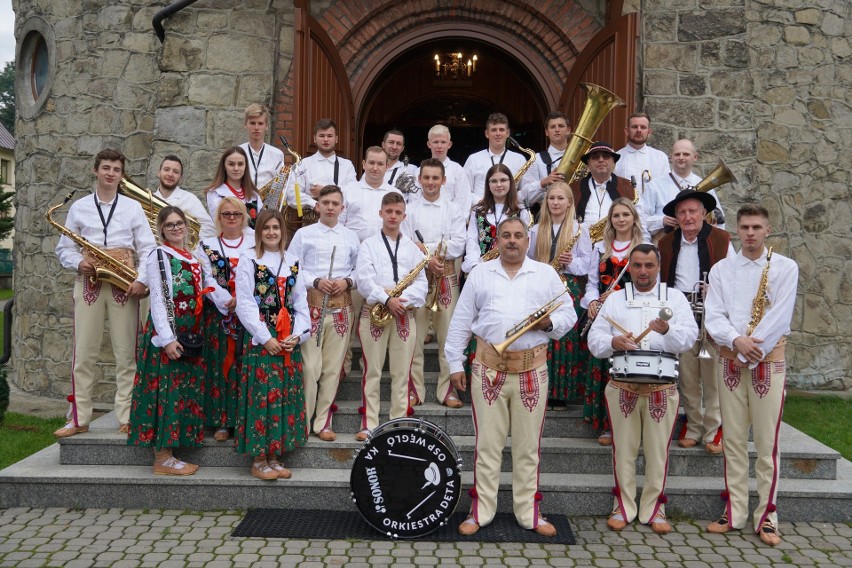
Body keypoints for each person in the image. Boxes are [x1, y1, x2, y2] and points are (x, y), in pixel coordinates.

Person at [446, 217, 576, 537]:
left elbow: (568, 314)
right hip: (488, 368)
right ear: (497, 241)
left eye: (518, 235)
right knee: (487, 445)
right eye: (506, 235)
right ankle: (481, 512)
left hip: (532, 369)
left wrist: (547, 325)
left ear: (527, 240)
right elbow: (462, 320)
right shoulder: (480, 273)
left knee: (527, 447)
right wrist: (453, 364)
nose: (512, 241)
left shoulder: (545, 274)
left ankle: (528, 513)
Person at [704, 204, 798, 547]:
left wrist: (748, 348)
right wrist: (736, 340)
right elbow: (713, 315)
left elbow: (781, 315)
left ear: (768, 230)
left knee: (767, 443)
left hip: (766, 360)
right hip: (730, 359)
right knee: (732, 441)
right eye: (745, 227)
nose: (750, 233)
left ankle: (768, 515)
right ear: (737, 230)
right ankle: (734, 511)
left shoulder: (785, 267)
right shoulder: (721, 269)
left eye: (757, 227)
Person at [588, 244, 697, 535]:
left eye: (649, 265)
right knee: (623, 450)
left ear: (658, 266)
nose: (643, 271)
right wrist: (615, 343)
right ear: (630, 267)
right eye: (637, 265)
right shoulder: (616, 299)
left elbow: (689, 338)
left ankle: (654, 508)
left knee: (657, 451)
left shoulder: (674, 297)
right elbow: (595, 339)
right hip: (623, 385)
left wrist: (667, 331)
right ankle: (623, 507)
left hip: (662, 387)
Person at [54, 148, 156, 438]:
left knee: (127, 353)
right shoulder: (80, 207)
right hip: (90, 280)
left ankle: (127, 415)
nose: (111, 173)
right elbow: (64, 247)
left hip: (124, 281)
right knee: (83, 352)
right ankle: (78, 418)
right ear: (95, 170)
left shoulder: (133, 207)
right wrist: (78, 262)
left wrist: (142, 279)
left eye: (116, 170)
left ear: (122, 176)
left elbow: (148, 247)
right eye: (106, 168)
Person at [127, 206, 206, 475]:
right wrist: (168, 338)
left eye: (179, 223)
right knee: (165, 393)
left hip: (189, 332)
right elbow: (159, 299)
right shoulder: (158, 255)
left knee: (180, 392)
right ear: (161, 229)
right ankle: (162, 457)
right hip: (169, 333)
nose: (176, 228)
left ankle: (172, 452)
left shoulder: (192, 257)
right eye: (169, 224)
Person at [234, 209, 310, 480]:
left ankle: (275, 455)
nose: (271, 233)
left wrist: (297, 335)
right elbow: (244, 303)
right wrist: (265, 338)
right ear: (258, 231)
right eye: (266, 228)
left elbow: (300, 303)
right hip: (262, 337)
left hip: (288, 336)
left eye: (276, 227)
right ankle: (259, 458)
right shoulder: (249, 259)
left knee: (282, 396)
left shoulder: (292, 260)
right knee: (261, 396)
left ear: (282, 231)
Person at [658, 190, 735, 454]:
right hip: (681, 311)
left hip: (712, 312)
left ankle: (714, 431)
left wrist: (716, 290)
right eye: (682, 212)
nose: (688, 217)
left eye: (693, 211)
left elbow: (734, 277)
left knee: (712, 375)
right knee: (688, 376)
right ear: (676, 216)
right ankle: (693, 426)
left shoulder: (723, 240)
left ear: (704, 214)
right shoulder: (665, 243)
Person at [287, 185, 360, 442]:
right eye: (325, 202)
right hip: (310, 307)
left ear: (342, 208)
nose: (330, 207)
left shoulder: (351, 237)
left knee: (333, 368)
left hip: (341, 307)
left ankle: (323, 421)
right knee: (310, 367)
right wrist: (315, 280)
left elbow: (360, 270)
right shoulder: (303, 234)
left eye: (335, 203)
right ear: (317, 206)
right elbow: (292, 268)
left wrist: (347, 282)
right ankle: (304, 421)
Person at [354, 192, 428, 441]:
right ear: (381, 213)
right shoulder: (368, 245)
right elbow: (364, 280)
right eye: (389, 212)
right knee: (371, 371)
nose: (393, 216)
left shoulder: (413, 249)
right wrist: (387, 299)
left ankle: (399, 422)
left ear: (404, 216)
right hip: (375, 310)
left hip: (403, 314)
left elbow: (422, 283)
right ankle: (369, 424)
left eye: (398, 212)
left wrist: (401, 302)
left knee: (401, 372)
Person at [402, 159, 467, 408]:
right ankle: (414, 390)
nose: (430, 182)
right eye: (426, 178)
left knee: (448, 337)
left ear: (443, 180)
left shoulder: (453, 209)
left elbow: (458, 243)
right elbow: (406, 243)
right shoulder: (410, 209)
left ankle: (448, 390)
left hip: (446, 277)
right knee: (415, 337)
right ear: (419, 180)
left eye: (435, 178)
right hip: (417, 279)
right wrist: (430, 255)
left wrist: (425, 250)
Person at [582, 198, 645, 445]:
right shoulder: (599, 247)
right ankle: (606, 425)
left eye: (625, 215)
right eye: (616, 215)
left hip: (630, 314)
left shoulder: (642, 248)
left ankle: (629, 423)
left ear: (633, 218)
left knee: (624, 368)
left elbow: (647, 283)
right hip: (604, 315)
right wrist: (592, 302)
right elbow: (590, 283)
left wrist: (619, 295)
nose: (621, 219)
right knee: (604, 369)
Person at [527, 182, 592, 408]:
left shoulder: (579, 230)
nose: (555, 202)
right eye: (551, 198)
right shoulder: (535, 230)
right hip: (541, 287)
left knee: (564, 338)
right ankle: (540, 387)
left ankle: (562, 391)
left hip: (569, 285)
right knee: (542, 336)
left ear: (569, 203)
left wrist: (572, 262)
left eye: (560, 199)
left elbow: (587, 264)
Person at [197, 197, 255, 442]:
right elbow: (206, 277)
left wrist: (241, 299)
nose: (231, 218)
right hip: (219, 314)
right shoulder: (206, 244)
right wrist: (225, 300)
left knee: (245, 366)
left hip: (250, 314)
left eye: (237, 214)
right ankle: (221, 421)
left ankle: (243, 420)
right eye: (226, 214)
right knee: (221, 366)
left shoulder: (254, 242)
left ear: (244, 217)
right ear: (219, 218)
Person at [638, 139, 726, 242]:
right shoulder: (655, 185)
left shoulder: (705, 185)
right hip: (666, 245)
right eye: (677, 154)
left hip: (700, 245)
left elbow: (719, 220)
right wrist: (661, 221)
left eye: (686, 154)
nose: (681, 158)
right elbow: (641, 219)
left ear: (695, 157)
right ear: (671, 157)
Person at [461, 163, 531, 275]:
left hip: (512, 270)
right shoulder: (478, 211)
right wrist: (475, 265)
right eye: (493, 181)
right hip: (482, 269)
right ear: (488, 184)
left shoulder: (521, 211)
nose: (499, 185)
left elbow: (526, 245)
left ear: (511, 183)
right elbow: (471, 240)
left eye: (503, 180)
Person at [285, 118, 357, 213]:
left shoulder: (347, 165)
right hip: (310, 223)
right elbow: (292, 194)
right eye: (322, 136)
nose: (326, 139)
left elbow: (352, 194)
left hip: (340, 222)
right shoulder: (303, 164)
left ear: (336, 139)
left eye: (330, 136)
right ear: (314, 139)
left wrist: (324, 192)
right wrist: (314, 204)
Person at [463, 112, 529, 204]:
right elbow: (464, 191)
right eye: (494, 130)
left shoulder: (519, 159)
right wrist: (482, 203)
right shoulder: (473, 159)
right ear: (487, 133)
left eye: (501, 130)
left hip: (510, 214)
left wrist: (511, 200)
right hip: (482, 213)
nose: (498, 133)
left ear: (508, 133)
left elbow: (526, 191)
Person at [340, 146, 402, 242]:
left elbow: (401, 226)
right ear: (364, 164)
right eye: (371, 163)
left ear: (387, 167)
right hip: (353, 249)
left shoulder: (395, 194)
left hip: (384, 249)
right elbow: (338, 223)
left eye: (380, 164)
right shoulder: (348, 190)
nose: (375, 168)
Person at [570, 142, 634, 232]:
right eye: (595, 157)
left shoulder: (629, 186)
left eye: (606, 156)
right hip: (582, 243)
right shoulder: (573, 188)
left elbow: (639, 219)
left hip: (618, 242)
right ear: (588, 163)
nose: (601, 160)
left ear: (613, 162)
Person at [152, 155, 216, 239]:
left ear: (181, 178)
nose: (170, 174)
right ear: (159, 172)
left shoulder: (190, 199)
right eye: (166, 169)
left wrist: (190, 247)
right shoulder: (149, 198)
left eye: (176, 172)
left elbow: (209, 228)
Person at [205, 146, 262, 229]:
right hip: (227, 240)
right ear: (224, 166)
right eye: (231, 164)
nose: (236, 168)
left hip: (253, 241)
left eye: (240, 164)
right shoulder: (215, 193)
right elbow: (220, 224)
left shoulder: (254, 195)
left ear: (245, 167)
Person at [524, 111, 572, 208]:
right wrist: (543, 182)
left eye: (561, 126)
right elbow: (525, 197)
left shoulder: (580, 158)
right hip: (547, 215)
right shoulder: (536, 159)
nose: (557, 130)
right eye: (553, 127)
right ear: (546, 132)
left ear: (568, 130)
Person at [420, 124, 472, 213]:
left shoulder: (458, 170)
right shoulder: (420, 170)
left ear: (449, 144)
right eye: (435, 142)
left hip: (450, 221)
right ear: (429, 144)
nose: (439, 146)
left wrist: (456, 222)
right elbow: (415, 200)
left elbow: (463, 201)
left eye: (443, 142)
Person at [613, 113, 670, 186]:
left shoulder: (660, 158)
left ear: (649, 132)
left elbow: (666, 185)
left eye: (643, 127)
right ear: (627, 131)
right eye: (634, 127)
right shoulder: (616, 158)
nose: (639, 130)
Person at [239, 103, 285, 190]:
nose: (256, 128)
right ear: (245, 125)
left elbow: (280, 186)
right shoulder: (237, 152)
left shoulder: (277, 154)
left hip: (267, 202)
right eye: (252, 123)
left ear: (266, 126)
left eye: (260, 123)